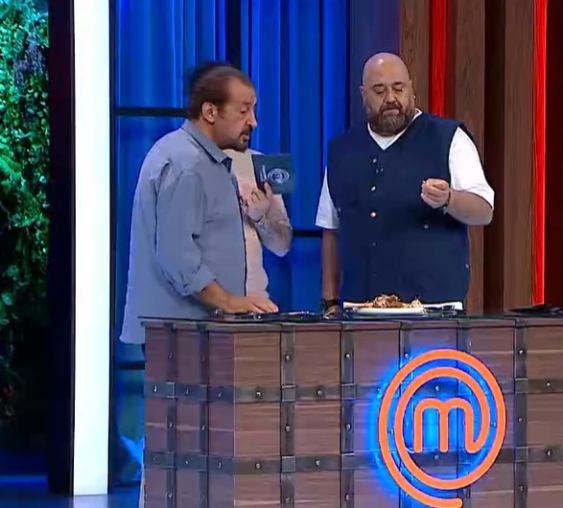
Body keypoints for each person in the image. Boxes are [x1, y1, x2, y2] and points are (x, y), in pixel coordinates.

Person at [118, 62, 278, 508]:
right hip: (180, 332)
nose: (253, 121)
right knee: (179, 452)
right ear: (210, 111)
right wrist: (228, 301)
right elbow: (176, 254)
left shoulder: (206, 161)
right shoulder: (186, 164)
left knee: (195, 454)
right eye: (244, 110)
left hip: (196, 332)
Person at [315, 52, 494, 313]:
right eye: (379, 91)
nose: (391, 98)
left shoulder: (448, 138)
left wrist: (449, 199)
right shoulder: (342, 150)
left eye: (398, 89)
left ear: (411, 90)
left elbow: (484, 210)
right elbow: (331, 229)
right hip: (360, 313)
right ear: (363, 95)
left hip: (434, 313)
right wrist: (330, 302)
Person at [225, 147, 292, 296]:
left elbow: (282, 246)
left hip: (254, 300)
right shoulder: (186, 160)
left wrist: (260, 219)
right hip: (202, 303)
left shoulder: (260, 164)